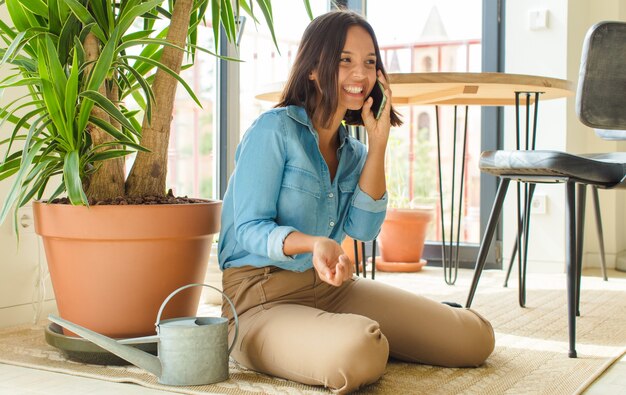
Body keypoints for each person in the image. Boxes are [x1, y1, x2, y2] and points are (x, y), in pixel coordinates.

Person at [218, 10, 495, 394]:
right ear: (314, 68)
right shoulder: (274, 130)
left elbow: (364, 230)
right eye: (345, 60)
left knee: (474, 339)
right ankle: (345, 336)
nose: (360, 75)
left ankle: (355, 332)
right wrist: (313, 243)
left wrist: (378, 141)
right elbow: (247, 229)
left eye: (370, 63)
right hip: (258, 299)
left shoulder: (353, 153)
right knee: (358, 352)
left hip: (330, 288)